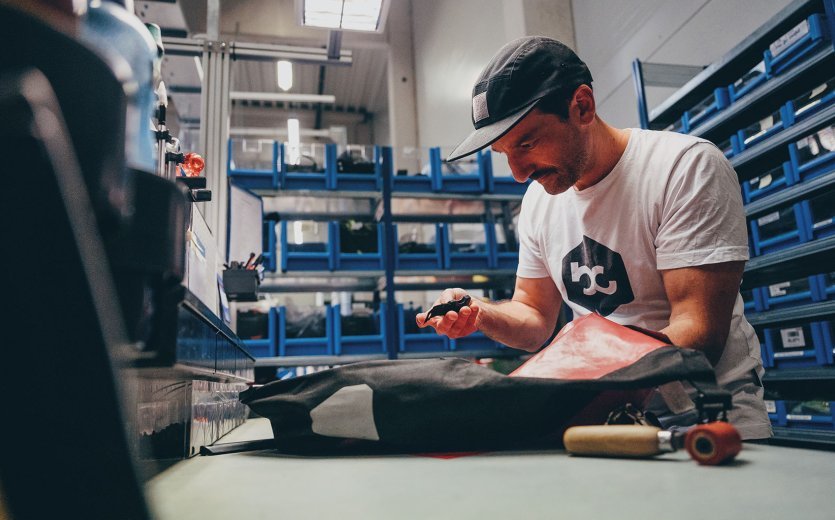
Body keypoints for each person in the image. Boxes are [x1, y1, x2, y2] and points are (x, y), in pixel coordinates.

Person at [416, 36, 771, 440]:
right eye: (504, 154)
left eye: (527, 144)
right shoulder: (538, 202)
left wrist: (574, 369)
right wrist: (482, 312)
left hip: (710, 419)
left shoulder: (683, 168)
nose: (517, 172)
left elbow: (697, 329)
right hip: (605, 419)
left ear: (581, 107)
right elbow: (533, 317)